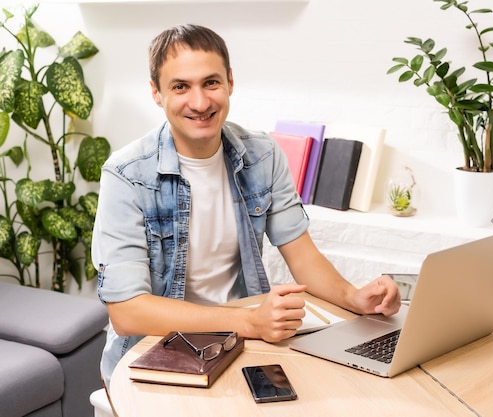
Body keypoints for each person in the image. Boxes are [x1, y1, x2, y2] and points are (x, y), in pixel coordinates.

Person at [92, 23, 401, 390]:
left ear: (230, 82)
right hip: (150, 353)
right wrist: (251, 322)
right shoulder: (127, 174)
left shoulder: (262, 154)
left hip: (235, 346)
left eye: (211, 82)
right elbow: (128, 311)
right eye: (180, 87)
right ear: (156, 93)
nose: (201, 102)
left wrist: (355, 297)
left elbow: (302, 255)